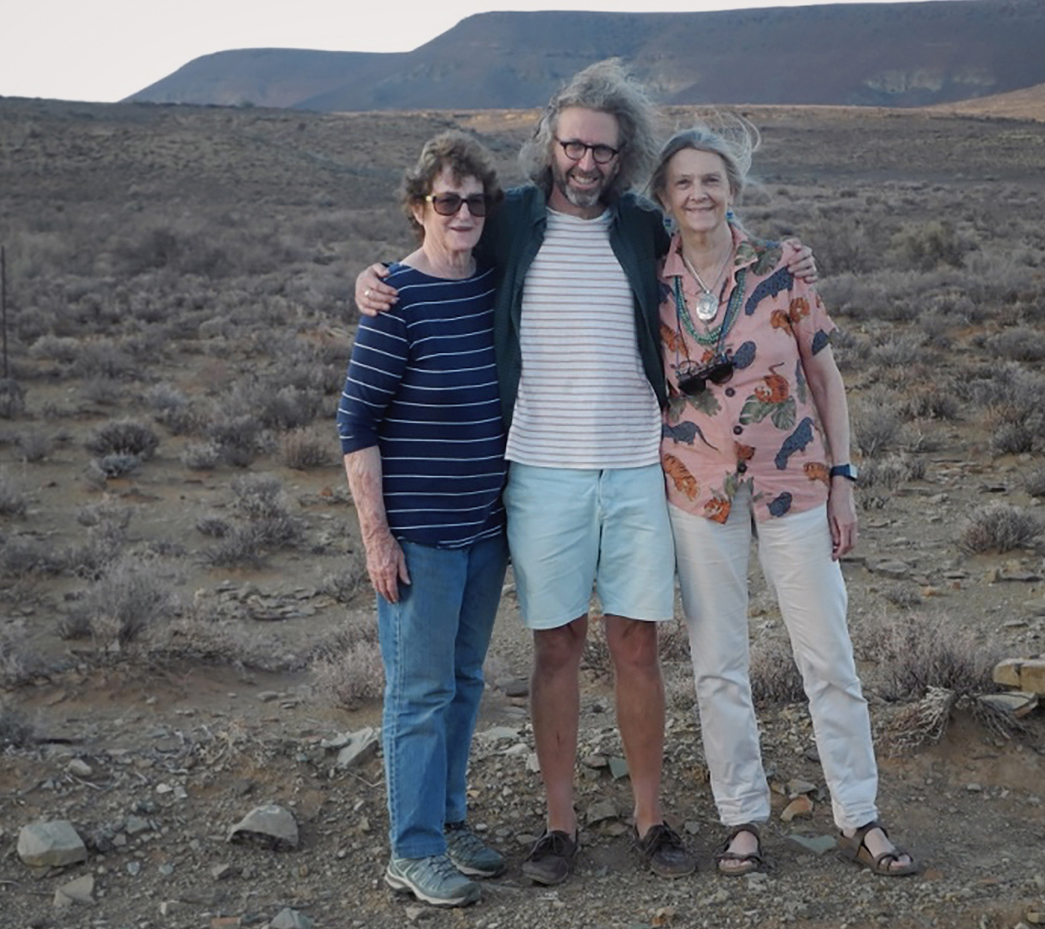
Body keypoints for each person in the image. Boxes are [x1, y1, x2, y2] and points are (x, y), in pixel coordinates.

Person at [357, 61, 814, 886]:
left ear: (623, 152)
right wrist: (375, 277)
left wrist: (790, 257)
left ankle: (650, 816)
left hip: (640, 466)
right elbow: (441, 241)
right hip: (540, 471)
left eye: (602, 149)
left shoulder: (642, 225)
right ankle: (559, 825)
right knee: (557, 645)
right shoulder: (513, 219)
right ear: (550, 143)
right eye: (572, 144)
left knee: (637, 644)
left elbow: (717, 237)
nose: (586, 161)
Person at [648, 126, 919, 878]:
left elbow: (826, 380)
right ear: (664, 199)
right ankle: (741, 819)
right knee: (718, 663)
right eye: (683, 183)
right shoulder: (649, 278)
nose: (699, 194)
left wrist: (844, 477)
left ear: (732, 188)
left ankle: (859, 814)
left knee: (827, 653)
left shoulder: (781, 268)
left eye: (712, 180)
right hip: (698, 491)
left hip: (795, 480)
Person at [336, 131, 511, 908]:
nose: (463, 211)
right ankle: (411, 849)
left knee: (465, 682)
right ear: (419, 208)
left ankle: (449, 820)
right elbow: (356, 424)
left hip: (484, 528)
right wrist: (377, 537)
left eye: (475, 199)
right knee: (417, 693)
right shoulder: (394, 299)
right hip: (420, 539)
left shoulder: (494, 282)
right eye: (447, 199)